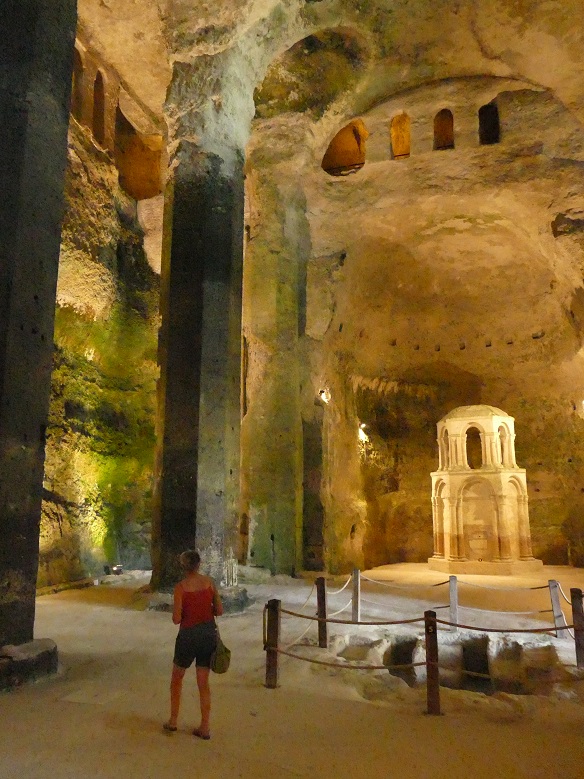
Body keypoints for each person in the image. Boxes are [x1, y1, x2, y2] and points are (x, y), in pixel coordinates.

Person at [163, 549, 223, 739]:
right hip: (207, 635)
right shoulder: (210, 583)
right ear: (199, 564)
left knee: (177, 678)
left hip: (188, 636)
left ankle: (173, 721)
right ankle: (205, 726)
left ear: (183, 567)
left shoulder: (181, 588)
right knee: (203, 683)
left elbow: (176, 619)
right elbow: (219, 610)